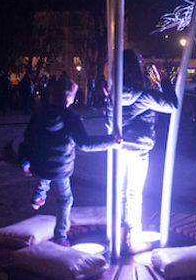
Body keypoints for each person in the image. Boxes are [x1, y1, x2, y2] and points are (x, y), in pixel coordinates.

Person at [18, 76, 120, 246]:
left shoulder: (40, 113)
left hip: (41, 163)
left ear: (51, 95)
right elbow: (85, 144)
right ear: (71, 99)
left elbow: (28, 138)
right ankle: (60, 237)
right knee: (65, 199)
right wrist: (111, 141)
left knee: (46, 172)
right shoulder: (71, 117)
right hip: (61, 167)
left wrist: (24, 161)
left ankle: (39, 195)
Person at [115, 49, 178, 254]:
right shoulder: (143, 95)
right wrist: (164, 81)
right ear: (136, 69)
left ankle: (121, 232)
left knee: (122, 193)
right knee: (134, 193)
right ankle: (134, 238)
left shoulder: (114, 92)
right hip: (138, 149)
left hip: (118, 149)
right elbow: (172, 105)